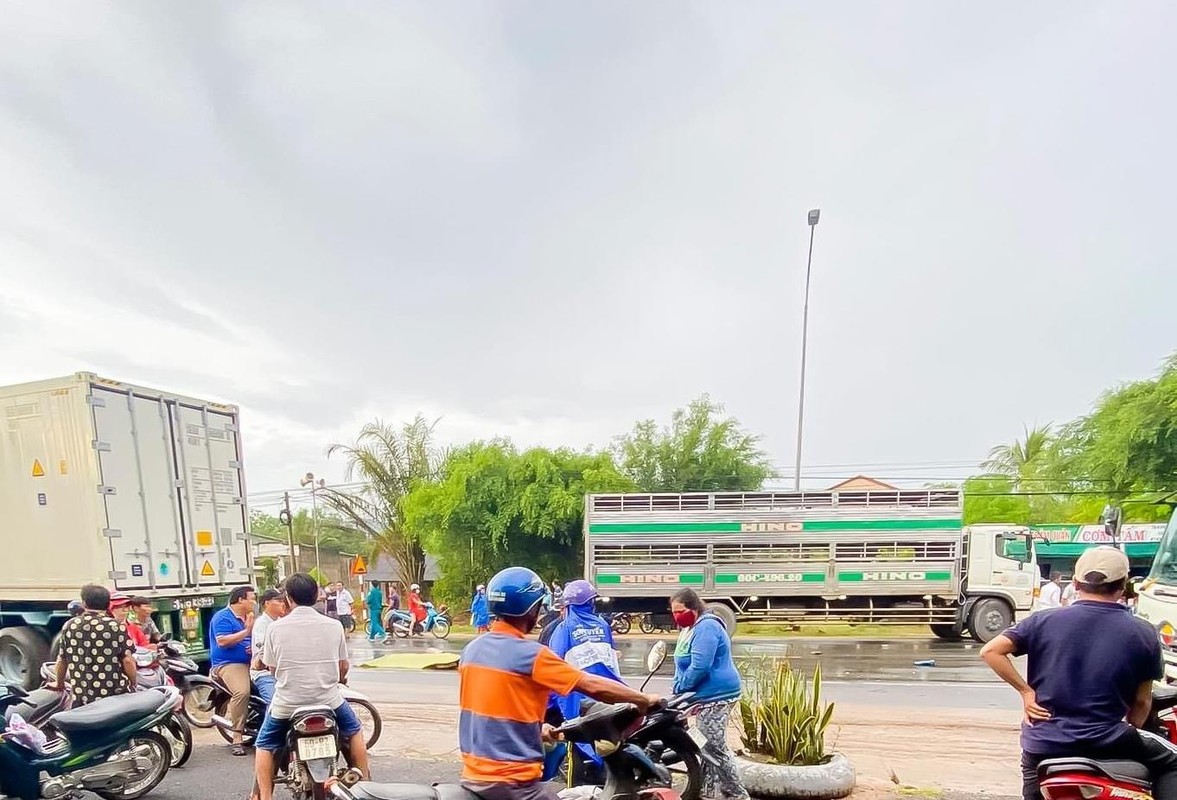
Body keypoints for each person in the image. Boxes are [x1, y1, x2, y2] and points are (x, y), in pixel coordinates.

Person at [980, 546, 1176, 800]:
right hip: (1107, 739)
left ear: (1075, 583)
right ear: (1123, 585)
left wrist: (1026, 692)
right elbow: (1141, 702)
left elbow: (991, 651)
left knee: (1033, 780)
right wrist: (1134, 727)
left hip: (1043, 744)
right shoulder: (1142, 631)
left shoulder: (1042, 621)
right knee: (1172, 760)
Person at [458, 566, 659, 800]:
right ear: (532, 609)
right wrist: (643, 699)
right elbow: (592, 685)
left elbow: (498, 706)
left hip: (474, 777)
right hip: (513, 784)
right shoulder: (532, 655)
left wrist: (536, 729)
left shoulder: (472, 650)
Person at [254, 572, 368, 800]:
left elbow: (272, 669)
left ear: (287, 597)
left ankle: (264, 796)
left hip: (287, 703)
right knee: (354, 732)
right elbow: (342, 667)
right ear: (317, 595)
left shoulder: (275, 628)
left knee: (265, 744)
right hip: (329, 700)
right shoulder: (334, 625)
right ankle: (365, 783)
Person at [670, 588, 750, 800]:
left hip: (717, 696)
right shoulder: (689, 628)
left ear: (694, 608)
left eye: (681, 610)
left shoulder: (707, 627)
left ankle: (737, 794)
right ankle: (707, 791)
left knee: (714, 747)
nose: (677, 615)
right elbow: (682, 663)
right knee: (703, 743)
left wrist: (681, 688)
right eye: (674, 611)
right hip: (701, 696)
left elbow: (700, 666)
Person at [547, 580, 624, 781]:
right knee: (608, 754)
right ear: (591, 603)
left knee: (578, 752)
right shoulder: (603, 626)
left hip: (577, 704)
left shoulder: (563, 629)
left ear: (568, 605)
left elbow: (553, 670)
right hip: (607, 699)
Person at [54, 584, 136, 705]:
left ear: (84, 603)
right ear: (108, 604)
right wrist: (133, 682)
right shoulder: (115, 626)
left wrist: (59, 684)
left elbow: (62, 660)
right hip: (114, 695)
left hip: (82, 696)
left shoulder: (70, 625)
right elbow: (128, 660)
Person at [210, 585, 257, 756]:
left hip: (253, 662)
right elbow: (222, 641)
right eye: (251, 598)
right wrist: (246, 632)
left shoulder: (250, 617)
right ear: (240, 600)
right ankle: (237, 736)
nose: (254, 602)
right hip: (229, 664)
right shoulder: (222, 617)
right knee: (242, 692)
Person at [250, 589, 288, 706]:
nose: (283, 604)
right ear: (267, 603)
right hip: (265, 673)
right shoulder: (261, 623)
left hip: (284, 672)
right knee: (275, 705)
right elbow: (262, 649)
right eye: (279, 601)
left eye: (284, 601)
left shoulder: (282, 622)